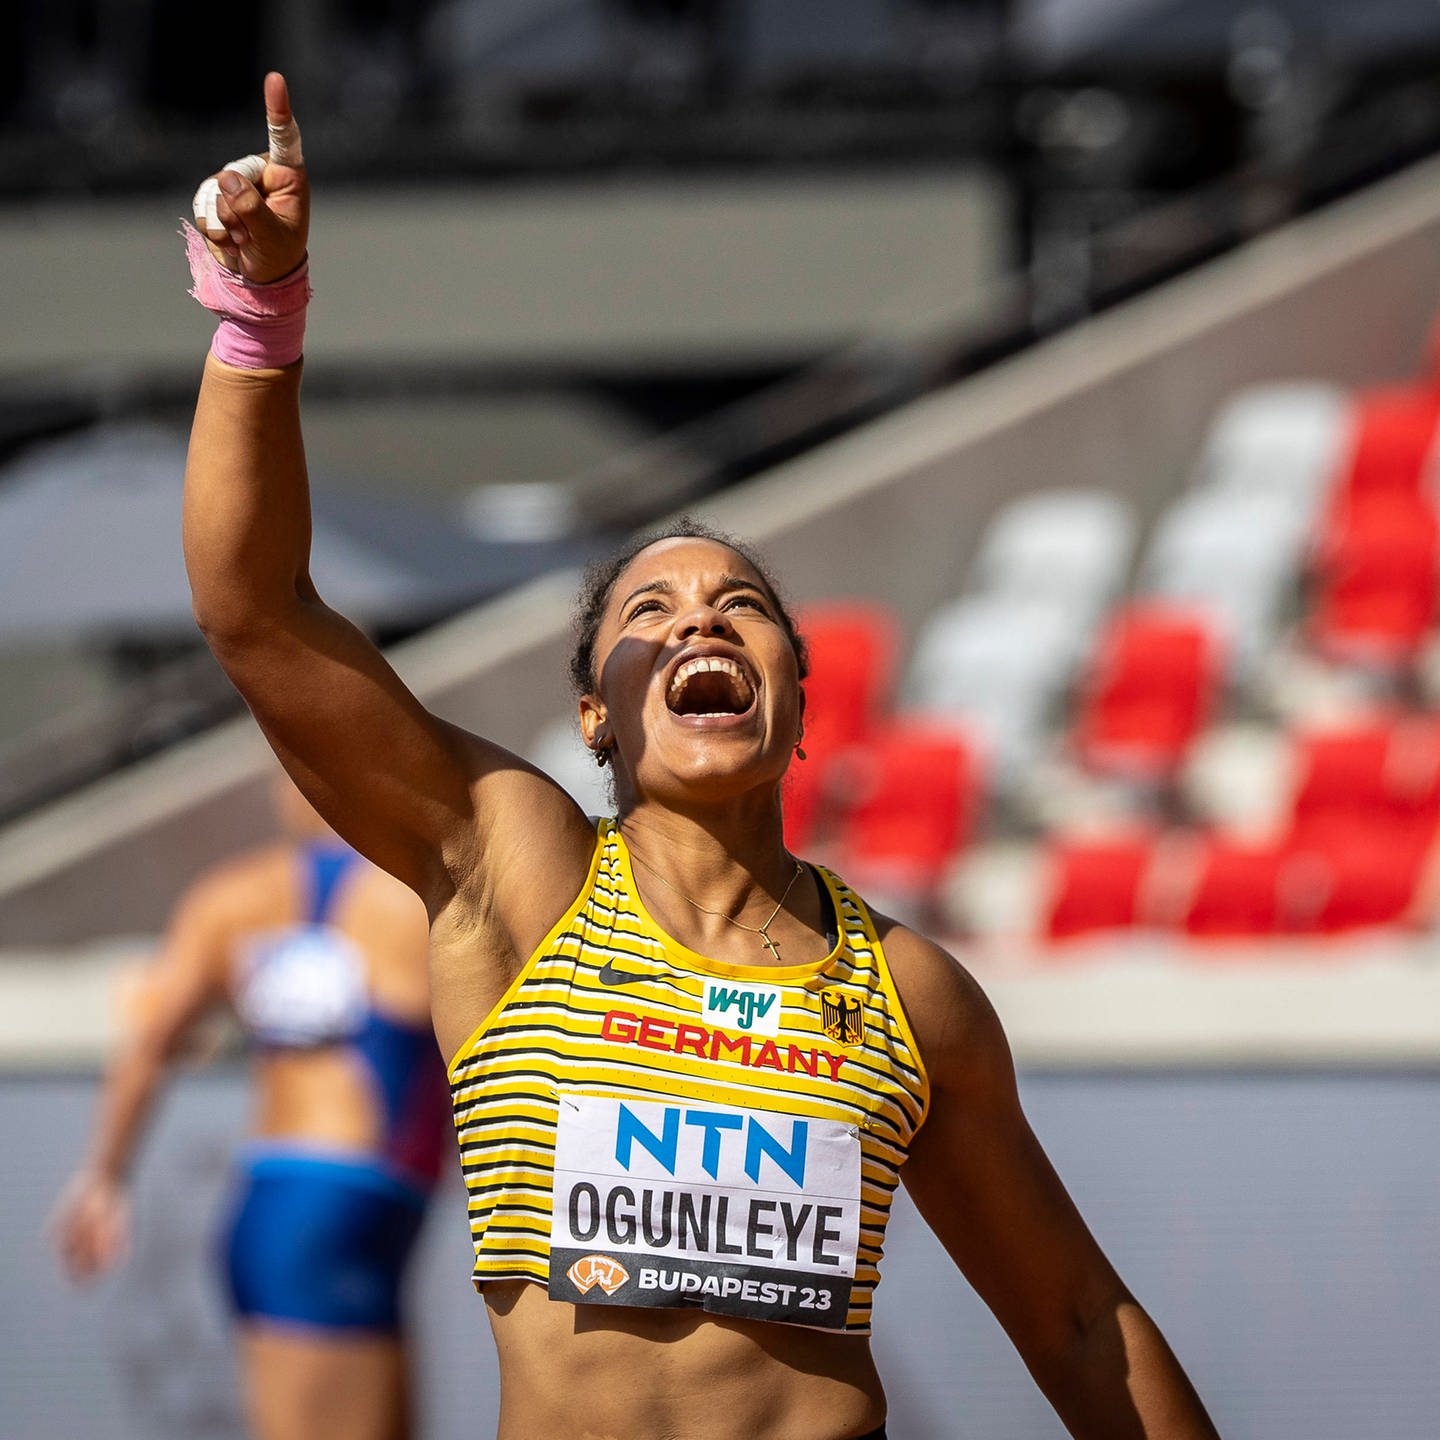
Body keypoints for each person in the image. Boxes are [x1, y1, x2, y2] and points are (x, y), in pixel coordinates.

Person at [177, 71, 1221, 1440]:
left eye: (741, 608)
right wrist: (261, 314)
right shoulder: (518, 869)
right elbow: (257, 616)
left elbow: (1081, 1325)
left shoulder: (914, 993)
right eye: (649, 613)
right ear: (597, 709)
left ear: (799, 697)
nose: (700, 624)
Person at [50, 773, 447, 1440]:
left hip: (293, 1204)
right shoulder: (415, 898)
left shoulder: (235, 899)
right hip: (352, 1202)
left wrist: (104, 1177)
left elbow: (150, 1040)